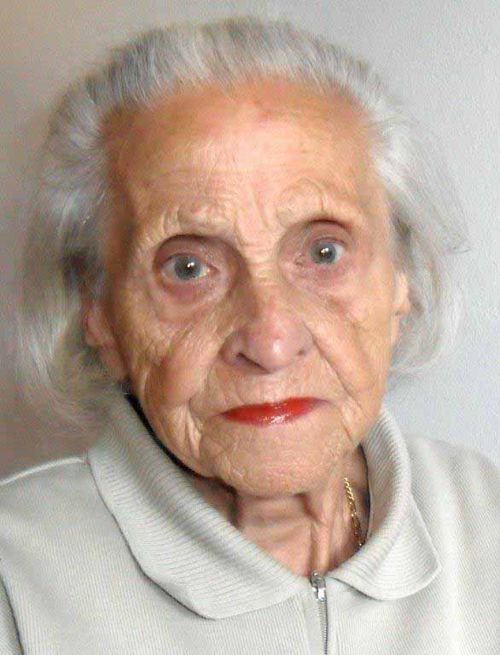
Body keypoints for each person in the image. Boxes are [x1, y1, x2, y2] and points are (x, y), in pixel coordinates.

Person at [1, 16, 498, 655]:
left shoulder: (485, 518)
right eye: (187, 268)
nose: (270, 342)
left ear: (399, 282)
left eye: (323, 252)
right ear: (98, 314)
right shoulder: (18, 588)